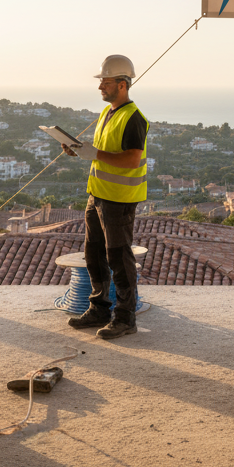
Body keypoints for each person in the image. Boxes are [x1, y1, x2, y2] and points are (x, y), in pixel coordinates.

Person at [59, 55, 149, 339]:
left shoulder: (133, 118)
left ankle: (125, 318)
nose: (101, 87)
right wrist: (79, 150)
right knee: (94, 254)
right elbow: (103, 152)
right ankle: (99, 309)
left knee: (119, 258)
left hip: (119, 199)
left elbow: (132, 160)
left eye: (106, 83)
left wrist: (95, 154)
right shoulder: (107, 113)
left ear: (122, 85)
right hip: (97, 194)